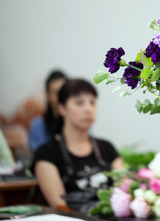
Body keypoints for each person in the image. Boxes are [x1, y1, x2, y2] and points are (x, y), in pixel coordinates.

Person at [32, 78, 123, 210]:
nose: (88, 109)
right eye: (79, 103)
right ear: (62, 108)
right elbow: (60, 206)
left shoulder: (107, 147)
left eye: (92, 102)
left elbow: (125, 190)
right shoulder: (46, 154)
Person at [28, 70, 67, 151]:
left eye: (63, 92)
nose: (60, 97)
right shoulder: (38, 126)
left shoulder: (79, 123)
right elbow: (39, 156)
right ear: (47, 94)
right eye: (56, 92)